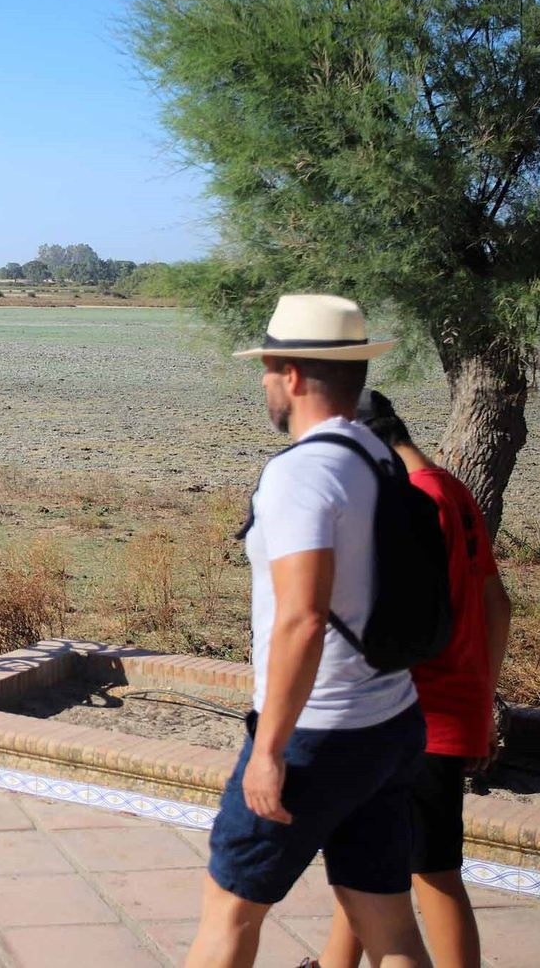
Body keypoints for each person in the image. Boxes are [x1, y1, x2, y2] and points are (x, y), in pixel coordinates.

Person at [186, 294, 431, 968]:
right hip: (390, 721)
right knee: (388, 922)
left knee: (230, 912)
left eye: (267, 368)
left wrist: (269, 749)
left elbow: (302, 616)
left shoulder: (301, 474)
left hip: (316, 734)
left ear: (291, 374)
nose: (264, 383)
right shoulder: (378, 460)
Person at [310, 390, 513, 968]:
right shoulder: (452, 491)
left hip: (412, 717)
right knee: (364, 852)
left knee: (433, 871)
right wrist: (478, 705)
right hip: (448, 711)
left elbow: (383, 622)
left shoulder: (410, 504)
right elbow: (496, 603)